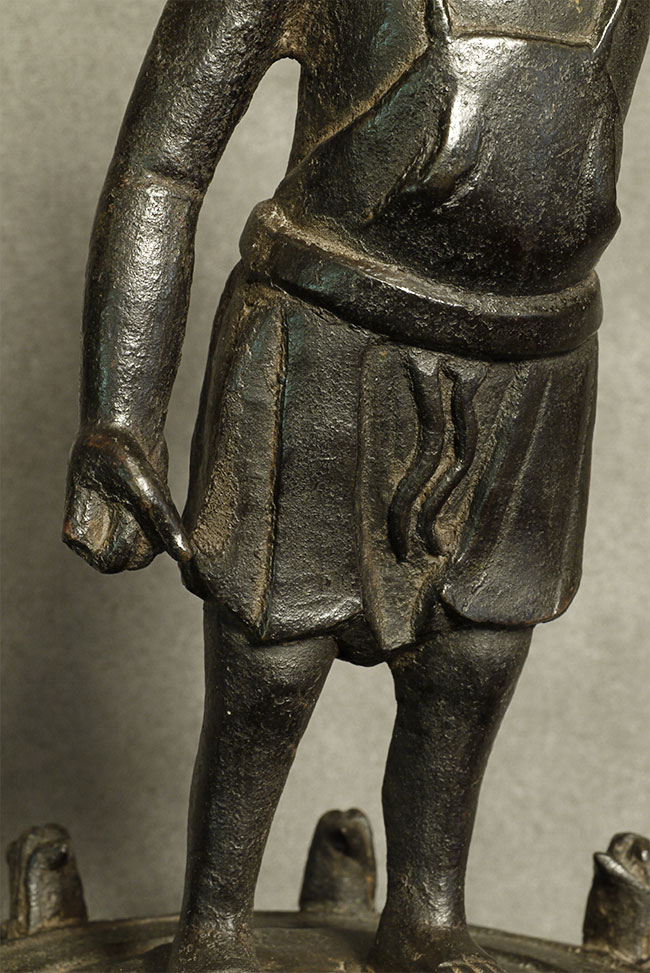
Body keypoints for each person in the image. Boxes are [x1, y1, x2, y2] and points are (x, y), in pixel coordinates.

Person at [63, 1, 649, 970]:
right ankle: (214, 924)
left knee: (474, 657)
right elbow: (162, 168)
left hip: (533, 360)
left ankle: (427, 913)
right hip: (321, 332)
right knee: (273, 659)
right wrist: (120, 414)